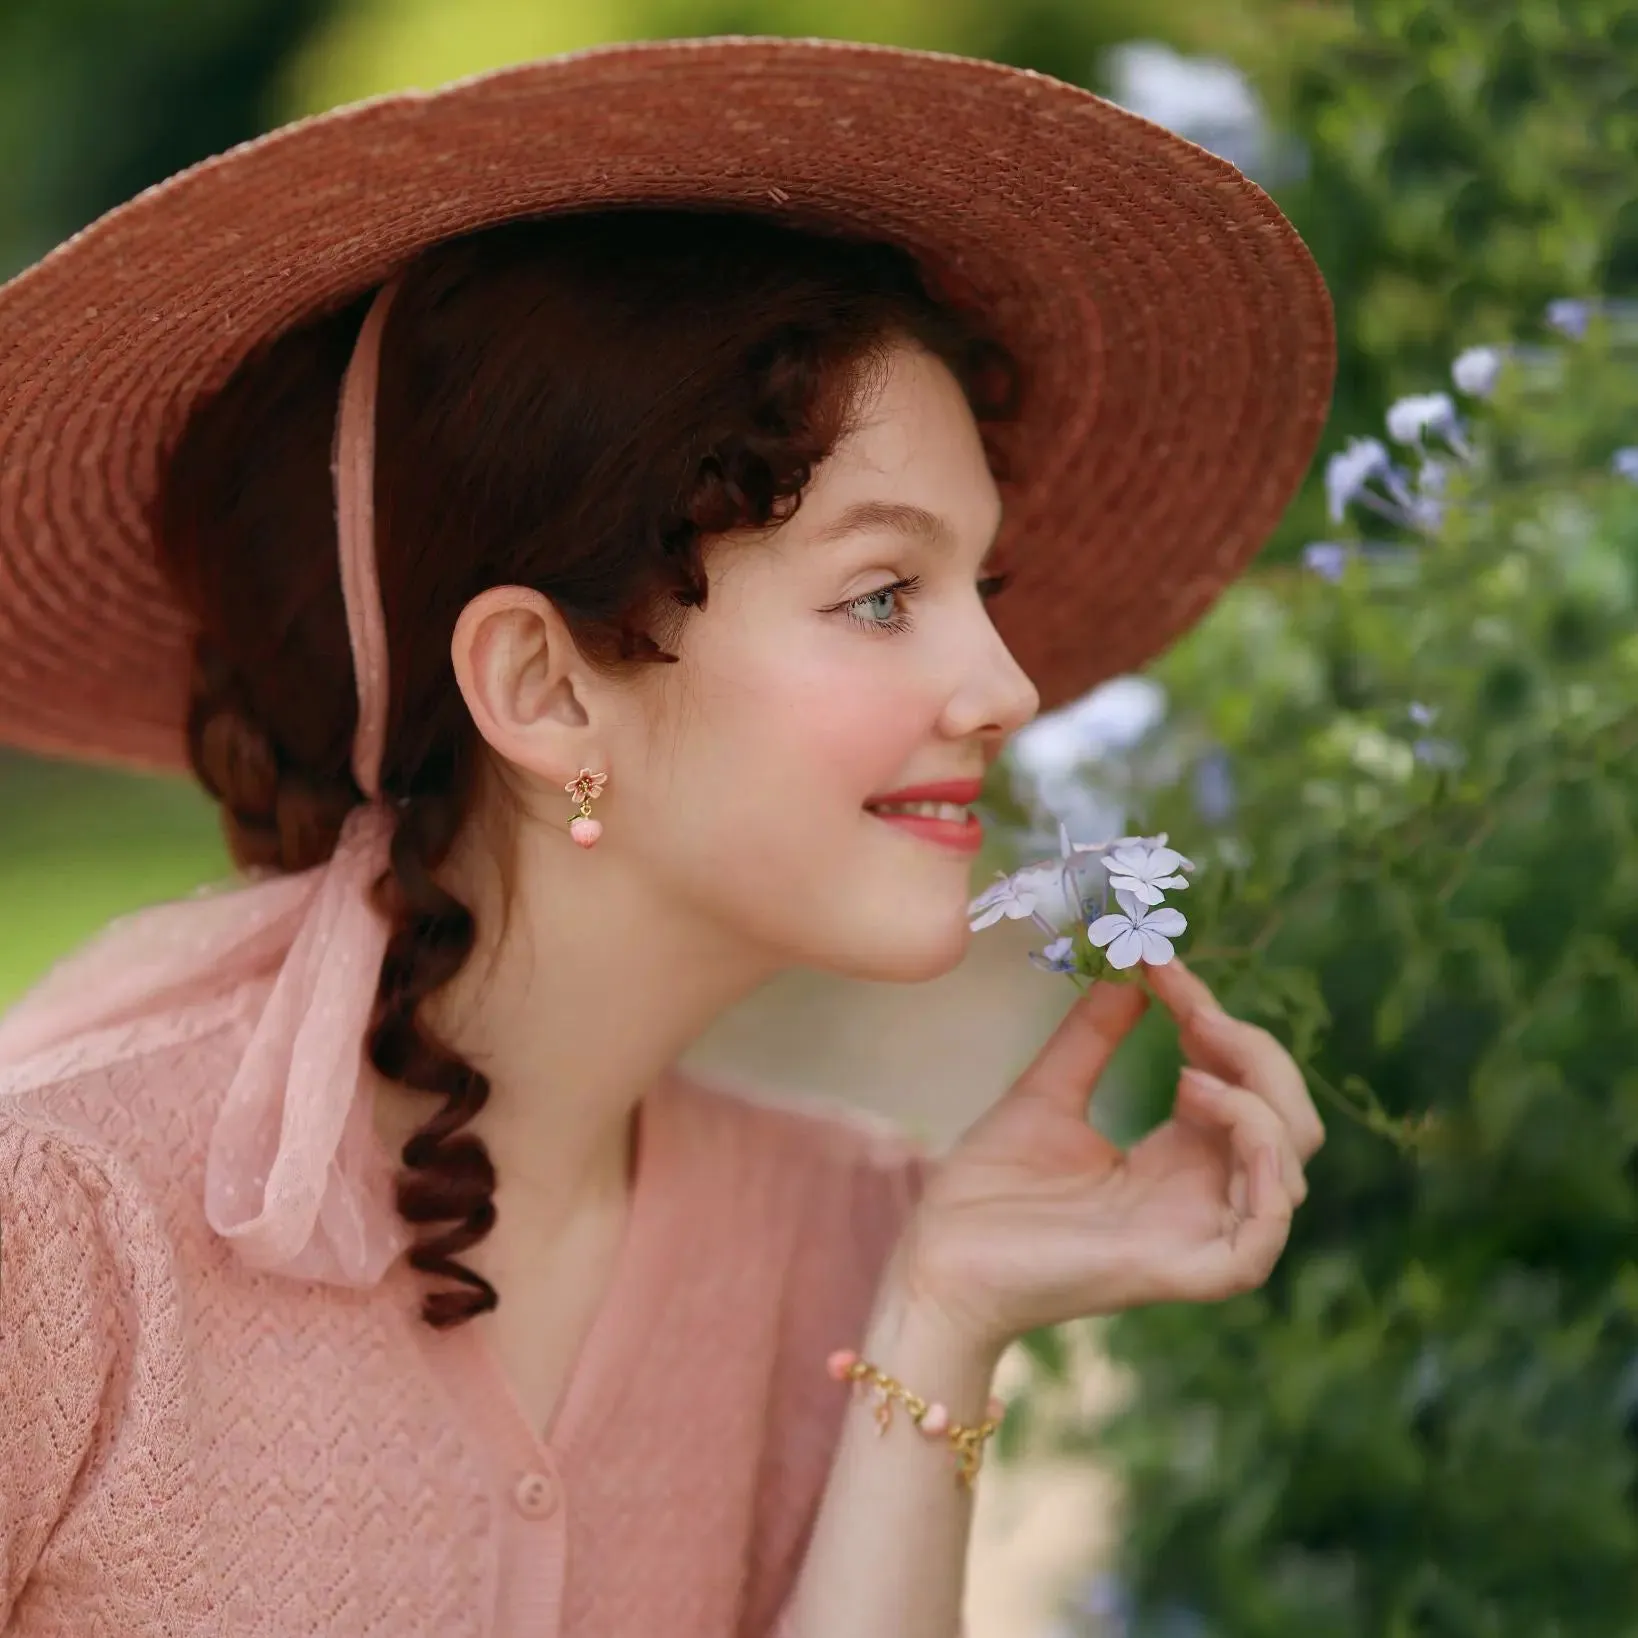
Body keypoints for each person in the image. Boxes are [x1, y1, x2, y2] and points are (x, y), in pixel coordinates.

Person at [0, 35, 1332, 1638]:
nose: (1004, 685)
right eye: (882, 594)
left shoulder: (841, 1236)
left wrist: (943, 1311)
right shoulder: (62, 1227)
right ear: (544, 687)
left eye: (985, 591)